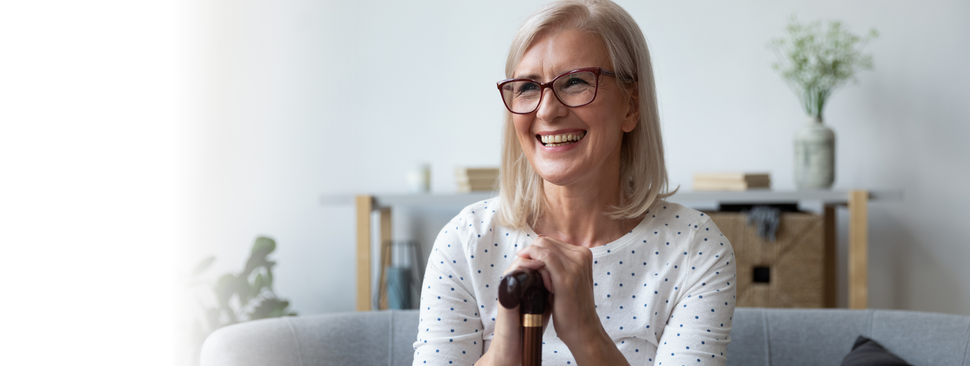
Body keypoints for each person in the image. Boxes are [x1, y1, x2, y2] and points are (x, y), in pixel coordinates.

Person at [412, 0, 736, 365]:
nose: (547, 110)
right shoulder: (465, 242)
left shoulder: (694, 249)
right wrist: (506, 346)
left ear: (631, 106)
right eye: (527, 88)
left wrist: (586, 332)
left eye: (576, 81)